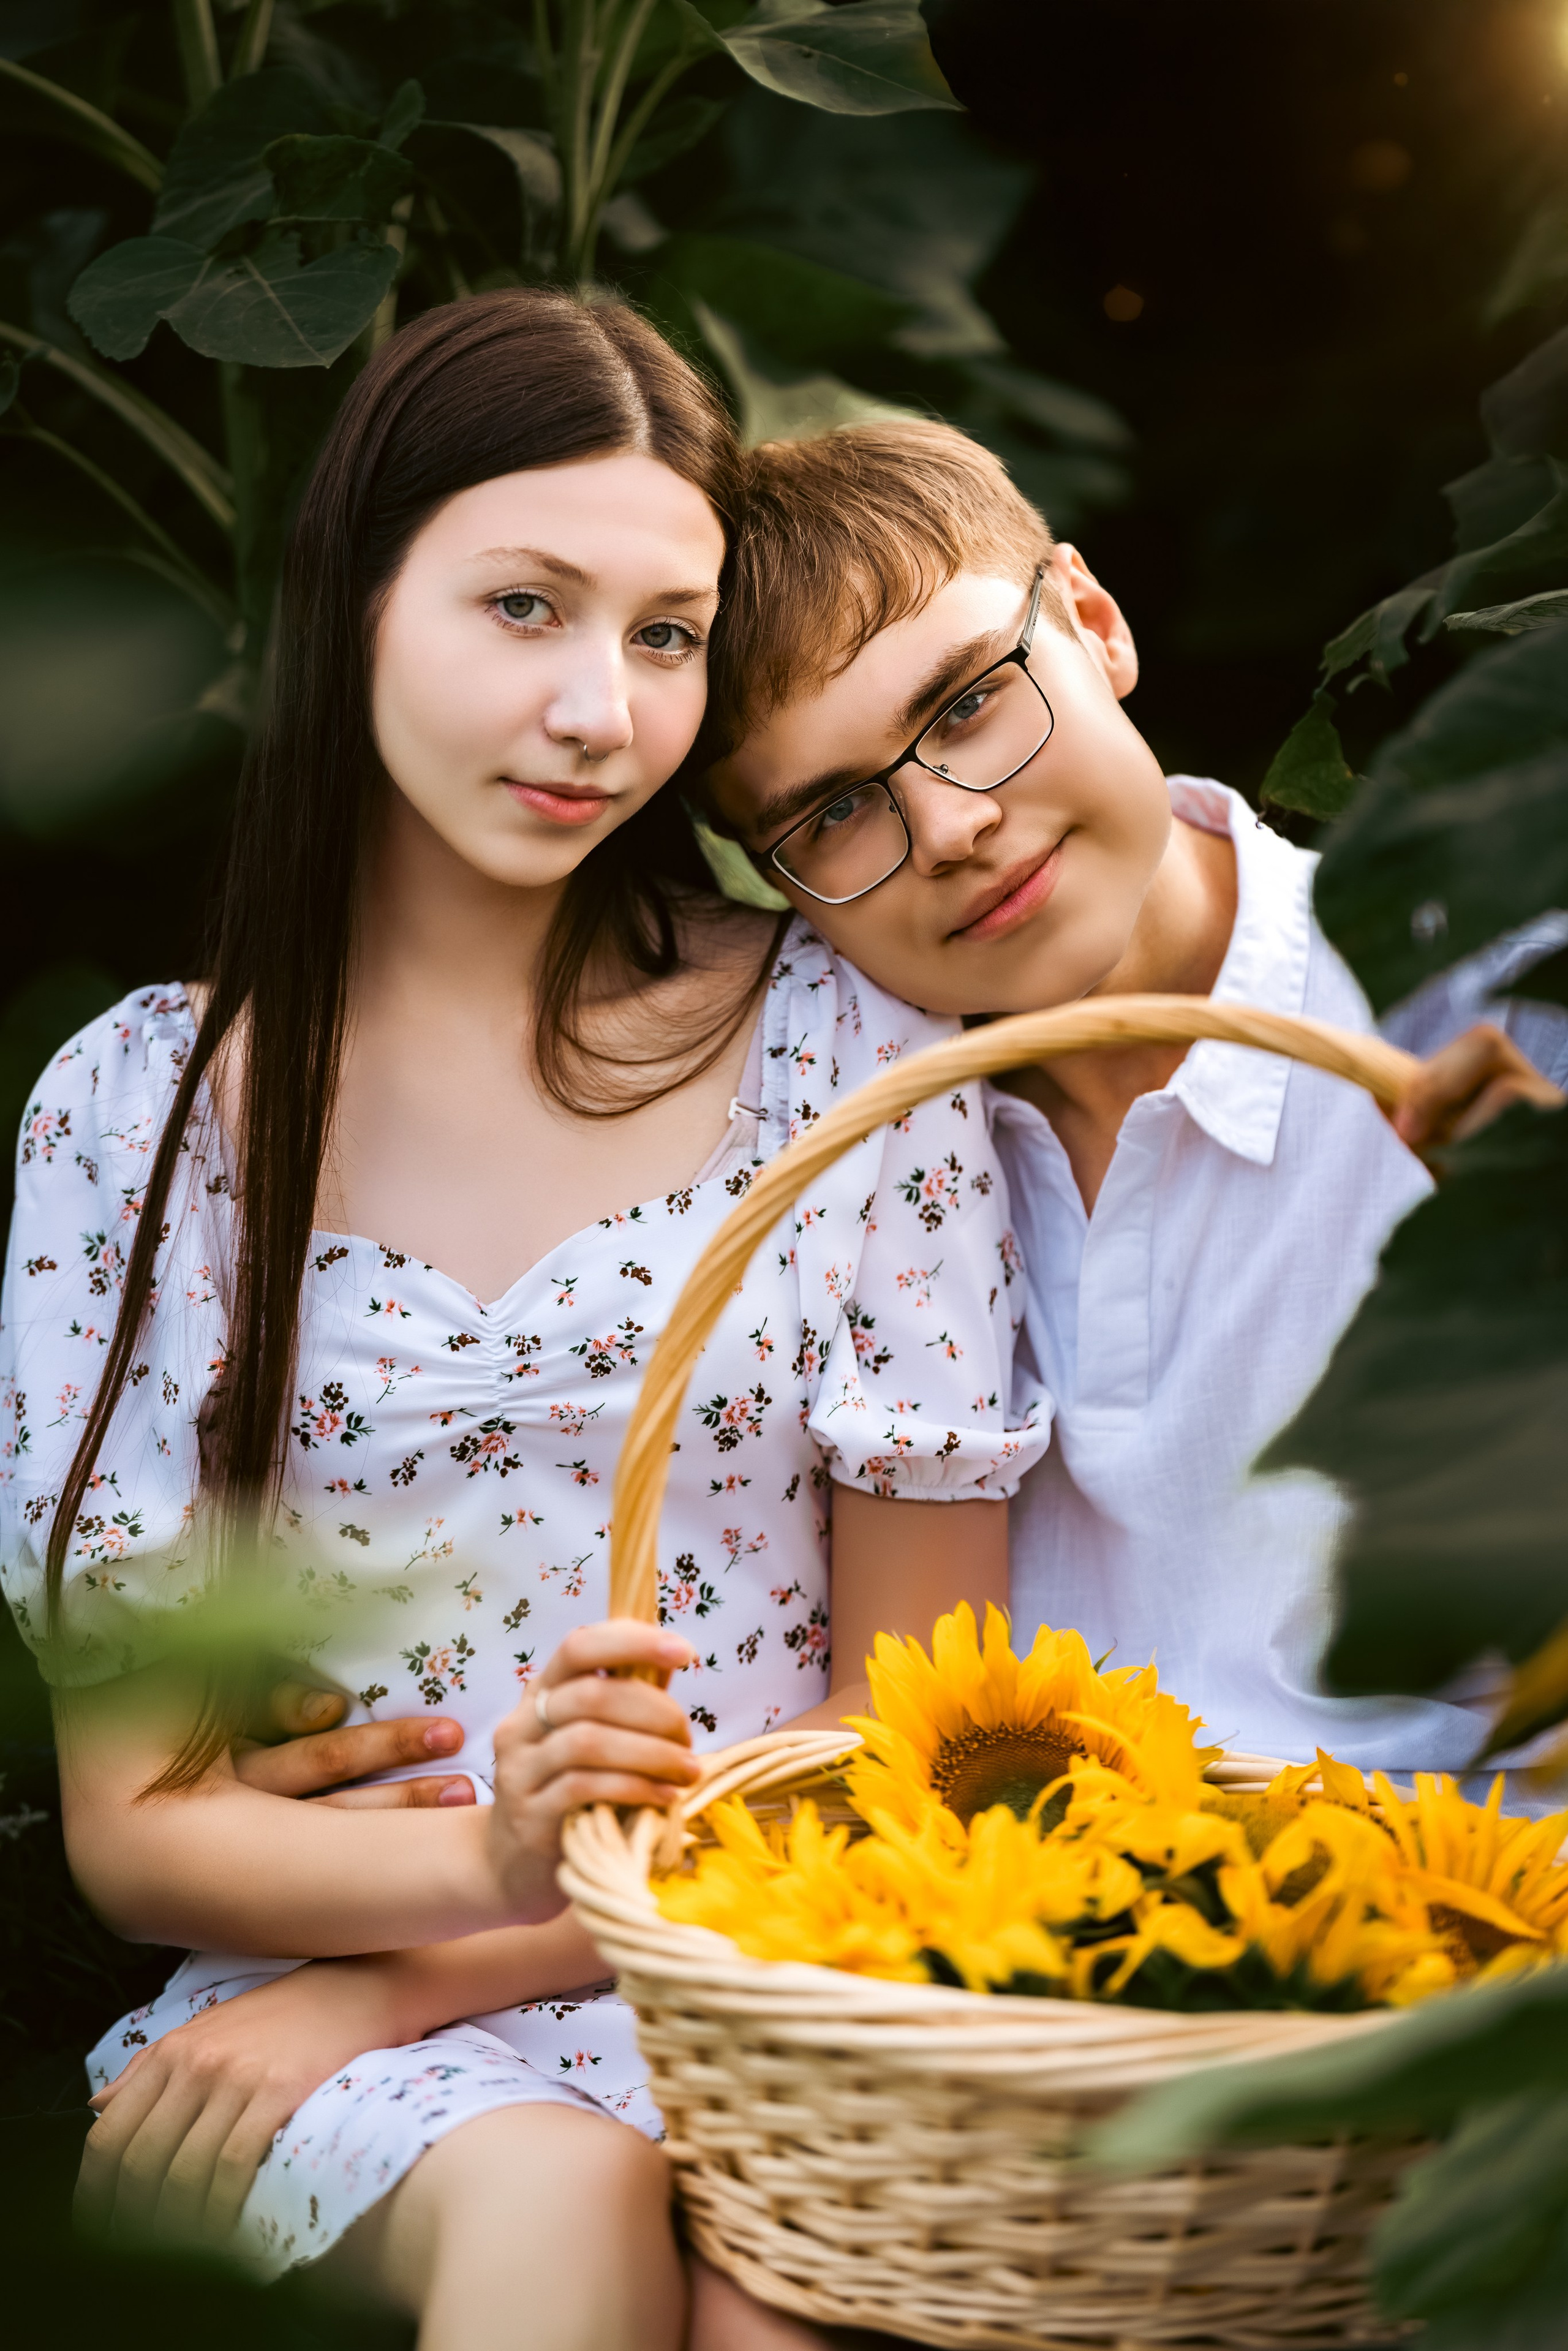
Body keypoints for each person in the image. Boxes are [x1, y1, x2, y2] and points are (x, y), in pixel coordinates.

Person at [0, 304, 1043, 2350]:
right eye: (524, 605)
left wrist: (470, 1939)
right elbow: (142, 1828)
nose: (597, 706)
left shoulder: (845, 1049)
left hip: (788, 1963)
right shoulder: (142, 1111)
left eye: (665, 636)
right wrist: (471, 1864)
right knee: (557, 2204)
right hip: (356, 2024)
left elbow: (914, 1736)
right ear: (357, 602)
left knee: (793, 2308)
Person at [698, 417, 1567, 1783]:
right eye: (831, 815)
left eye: (967, 702)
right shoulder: (832, 1153)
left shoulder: (1492, 1007)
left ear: (1092, 622)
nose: (948, 828)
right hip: (1009, 1940)